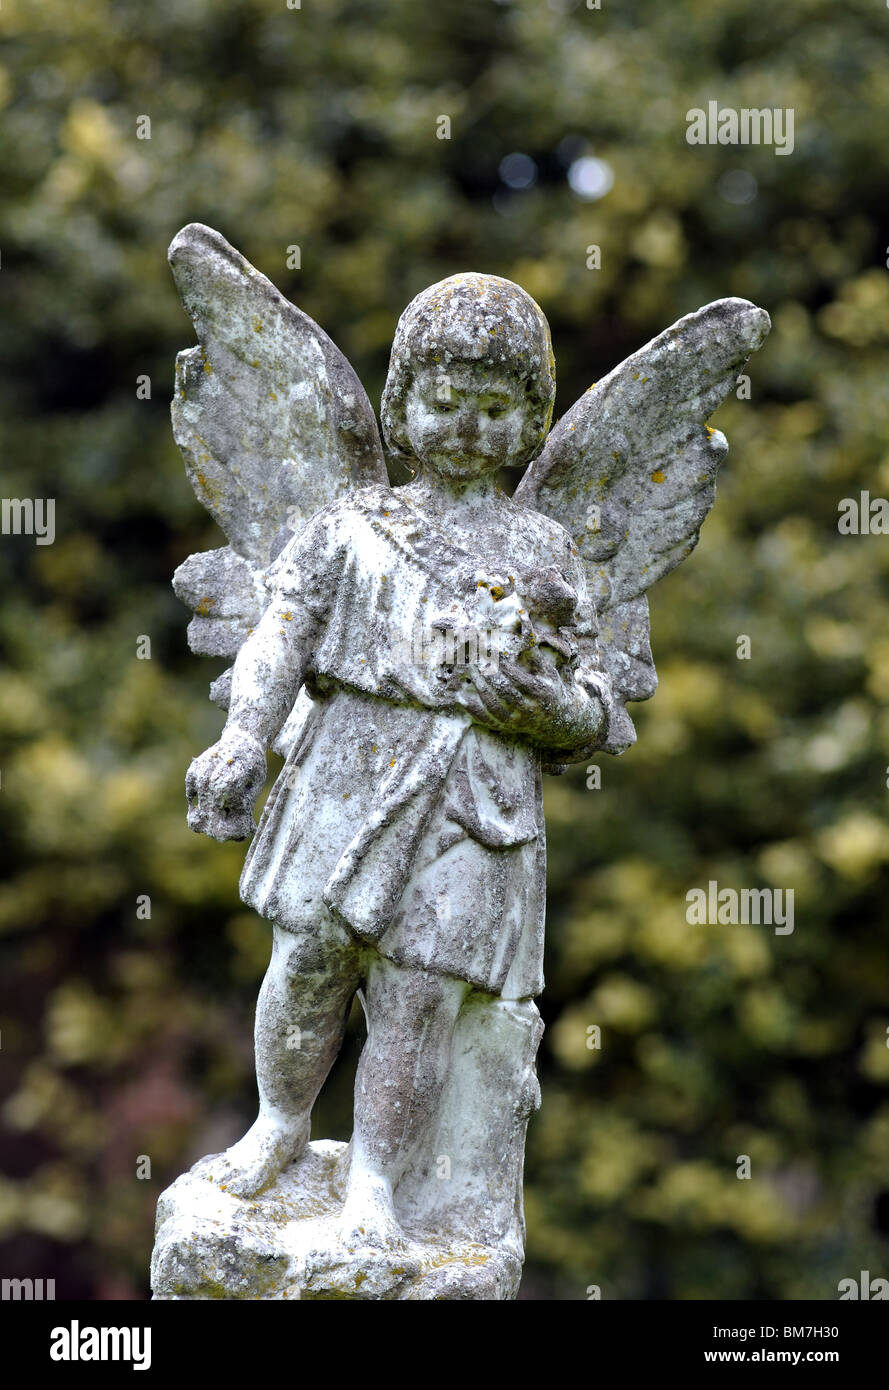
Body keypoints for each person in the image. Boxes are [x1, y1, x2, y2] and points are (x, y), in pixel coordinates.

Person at [184, 272, 616, 1256]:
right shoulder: (350, 526)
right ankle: (279, 1124)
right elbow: (278, 637)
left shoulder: (543, 551)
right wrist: (246, 736)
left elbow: (596, 704)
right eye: (444, 400)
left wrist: (551, 708)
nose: (466, 425)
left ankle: (376, 1181)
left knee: (420, 998)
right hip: (349, 765)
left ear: (530, 422)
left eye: (495, 407)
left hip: (475, 798)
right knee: (306, 963)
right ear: (401, 404)